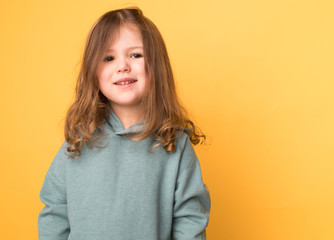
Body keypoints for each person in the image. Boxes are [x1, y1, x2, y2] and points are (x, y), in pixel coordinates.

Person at [38, 7, 210, 240]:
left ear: (156, 66)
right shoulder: (78, 142)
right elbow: (55, 213)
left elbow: (190, 221)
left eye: (135, 55)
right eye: (109, 58)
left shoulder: (175, 145)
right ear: (93, 73)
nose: (122, 66)